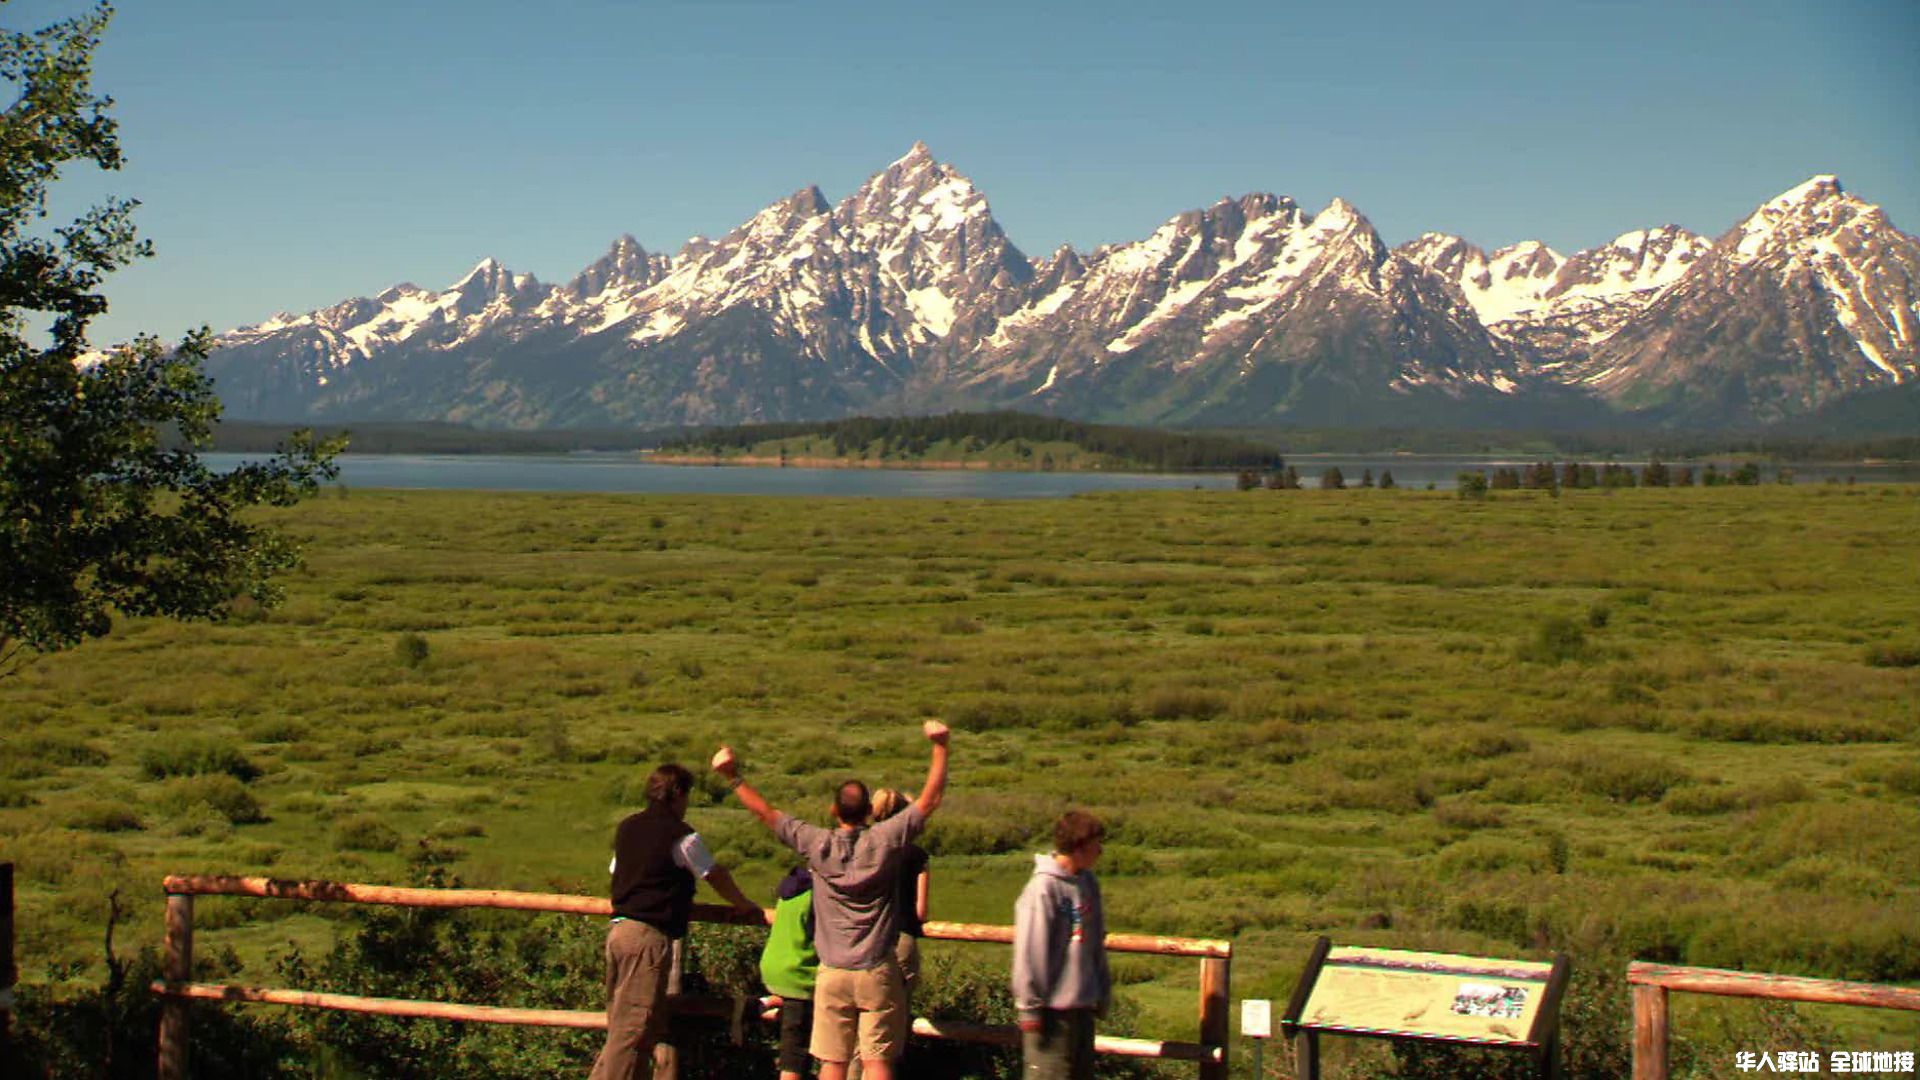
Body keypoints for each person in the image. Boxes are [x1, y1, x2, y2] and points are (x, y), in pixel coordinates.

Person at [712, 720, 951, 1080]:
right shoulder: (884, 841)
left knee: (832, 1062)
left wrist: (733, 777)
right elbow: (929, 801)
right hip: (876, 967)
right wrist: (940, 746)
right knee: (877, 1061)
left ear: (833, 811)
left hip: (833, 970)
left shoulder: (817, 843)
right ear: (869, 812)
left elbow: (766, 813)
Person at [591, 763, 765, 1080]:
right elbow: (713, 873)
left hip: (618, 931)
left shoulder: (628, 827)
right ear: (679, 794)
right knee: (633, 1029)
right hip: (646, 937)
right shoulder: (680, 834)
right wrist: (743, 905)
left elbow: (616, 869)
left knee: (624, 1025)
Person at [1012, 811, 1111, 1080]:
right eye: (1096, 845)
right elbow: (1030, 952)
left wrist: (1102, 990)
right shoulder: (1043, 889)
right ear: (1079, 847)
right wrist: (1029, 1007)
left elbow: (1095, 944)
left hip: (1082, 1006)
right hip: (1050, 1011)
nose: (1100, 851)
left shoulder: (1088, 883)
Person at [868, 788, 929, 1001]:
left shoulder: (861, 846)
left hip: (865, 937)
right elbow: (921, 911)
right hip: (901, 936)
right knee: (899, 1004)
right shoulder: (916, 856)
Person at [760, 864, 820, 1080]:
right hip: (799, 974)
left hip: (776, 967)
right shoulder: (819, 895)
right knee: (795, 1049)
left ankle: (765, 1005)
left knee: (793, 1025)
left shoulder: (793, 887)